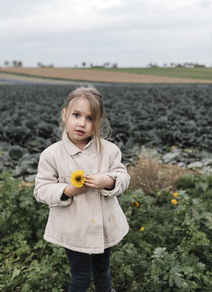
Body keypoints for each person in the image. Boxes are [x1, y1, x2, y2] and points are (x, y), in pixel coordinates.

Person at [34, 85, 130, 292]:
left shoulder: (110, 150)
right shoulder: (52, 155)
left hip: (103, 224)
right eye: (77, 115)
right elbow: (41, 189)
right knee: (81, 275)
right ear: (65, 115)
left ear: (98, 122)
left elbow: (123, 177)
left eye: (90, 118)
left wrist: (109, 181)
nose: (82, 123)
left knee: (103, 268)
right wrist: (67, 191)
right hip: (74, 228)